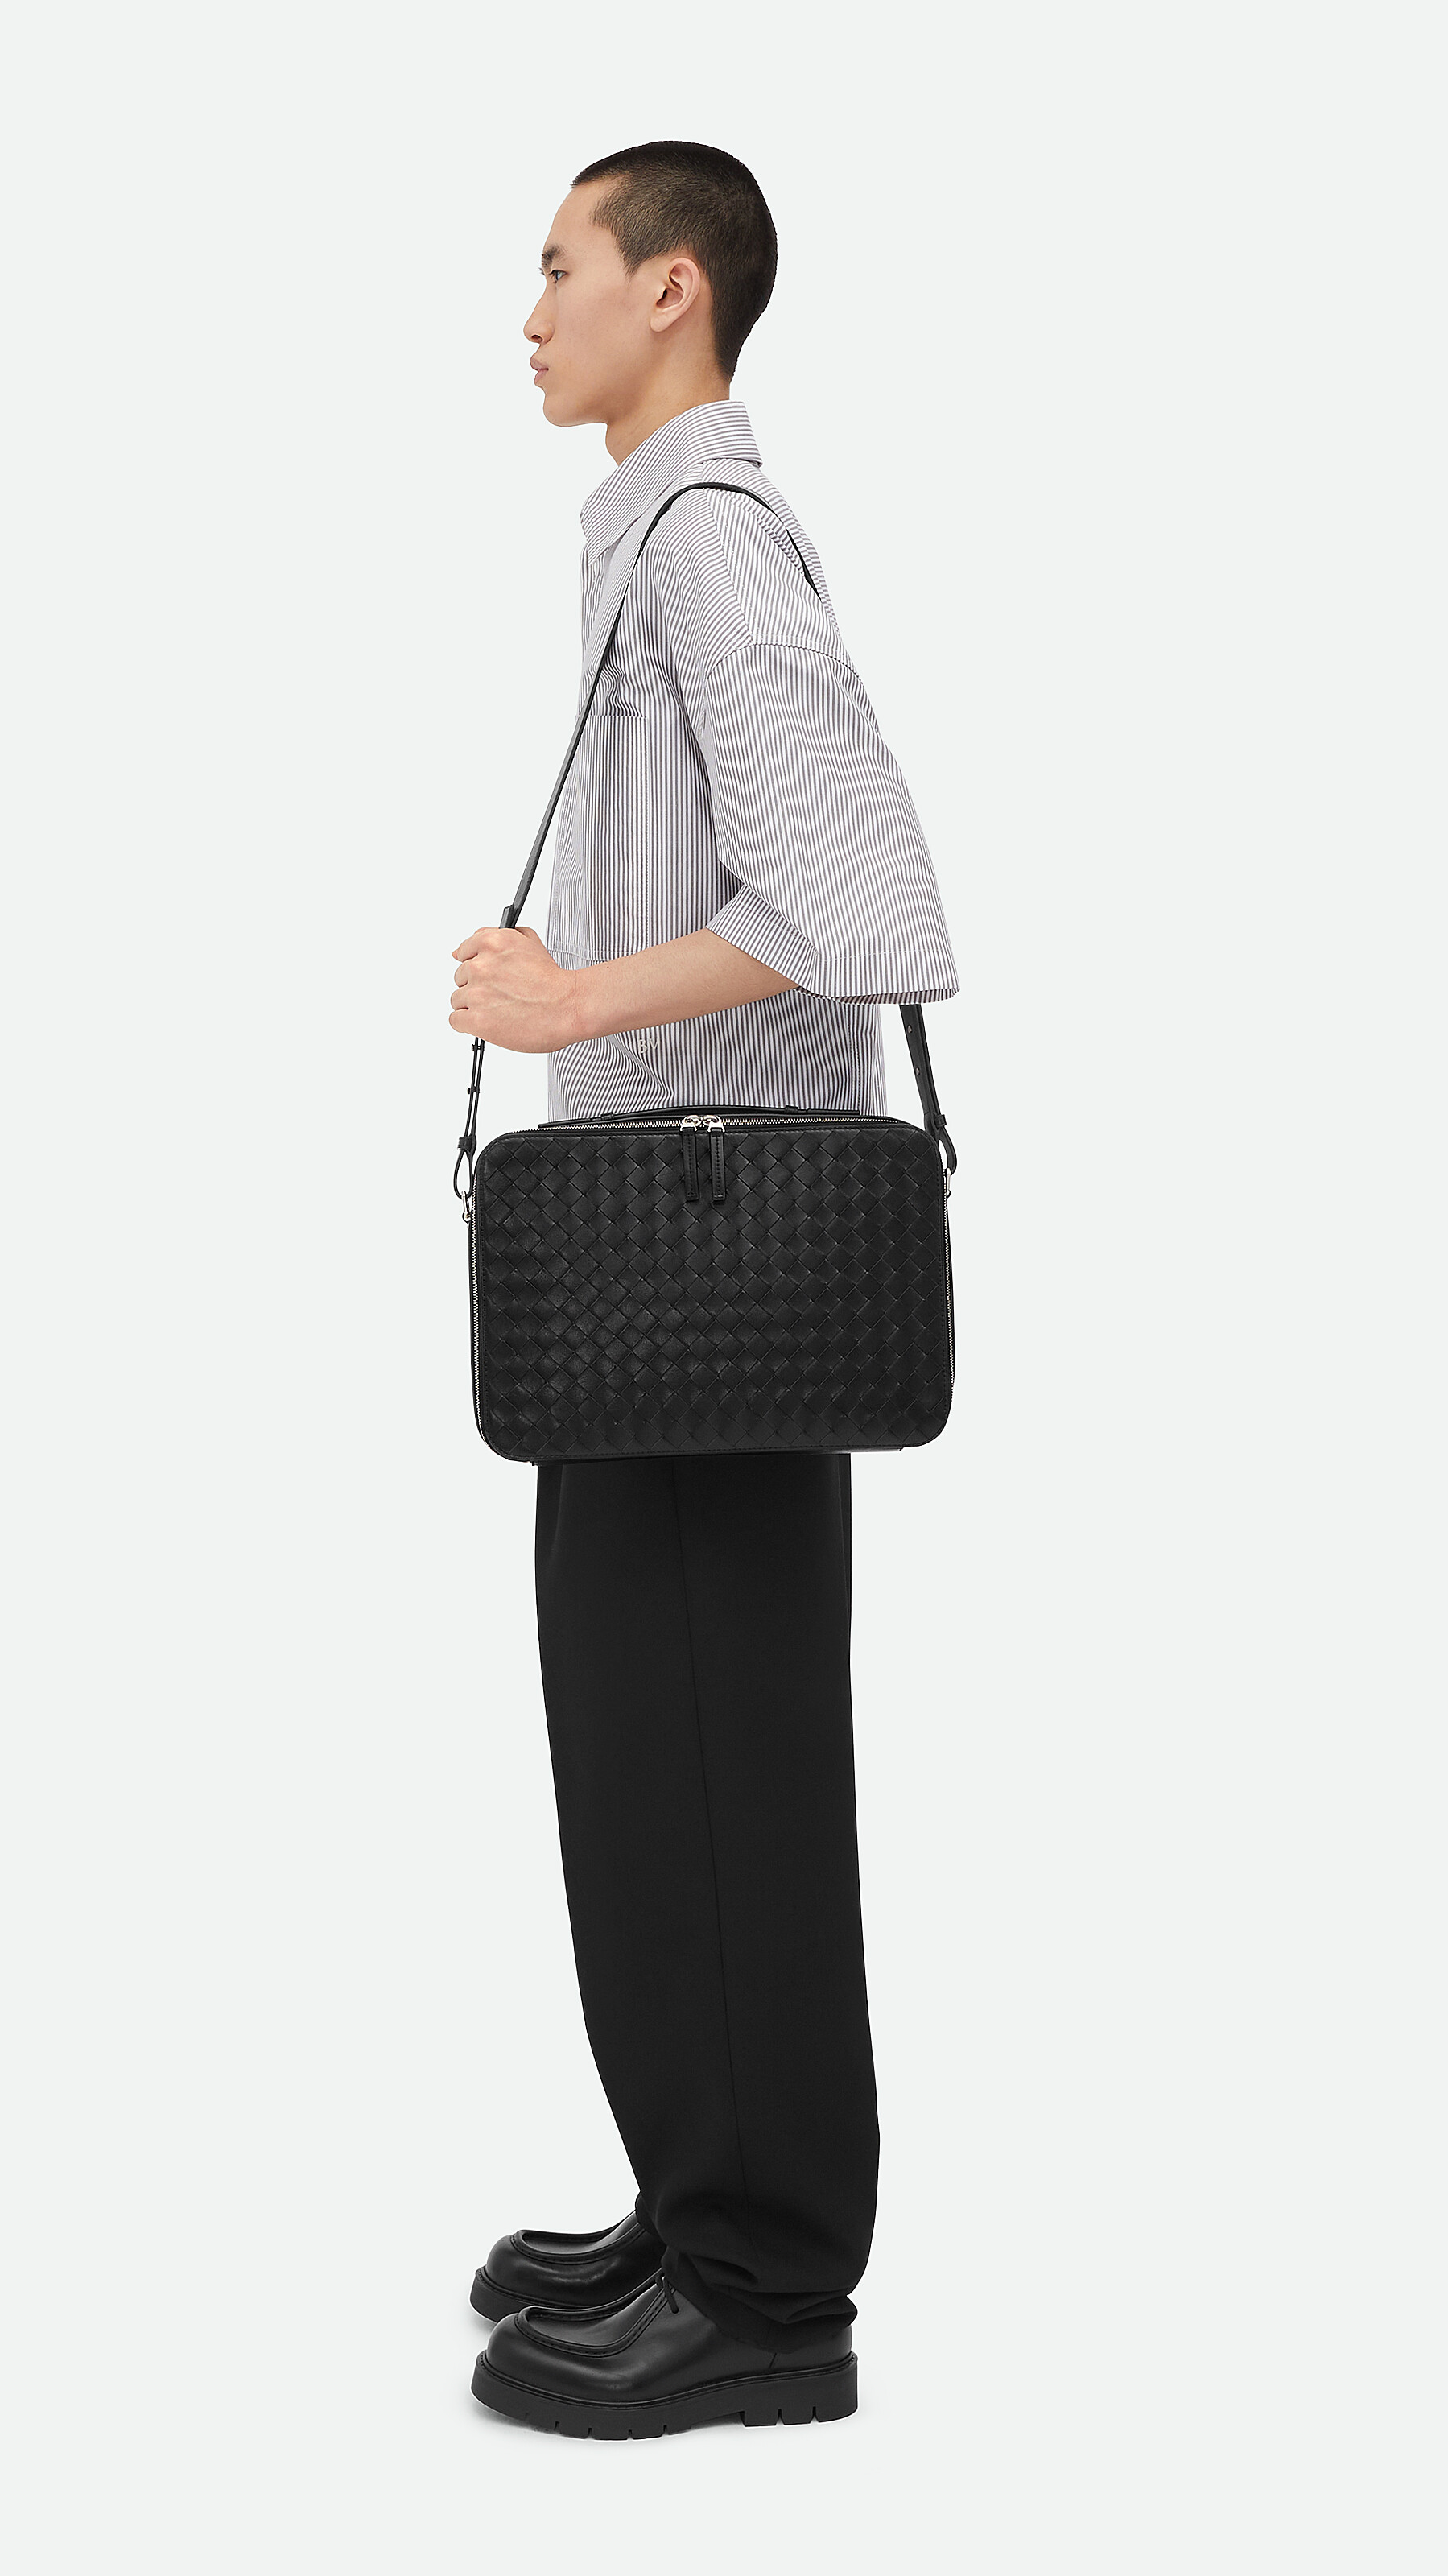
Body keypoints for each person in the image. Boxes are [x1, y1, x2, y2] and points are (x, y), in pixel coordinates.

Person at [447, 140, 959, 2439]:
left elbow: (863, 901)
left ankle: (766, 2289)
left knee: (714, 1758)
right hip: (666, 1258)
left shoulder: (711, 550)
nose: (527, 308)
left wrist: (575, 1003)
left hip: (717, 1250)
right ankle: (701, 2196)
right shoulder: (646, 539)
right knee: (654, 1751)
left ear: (673, 292)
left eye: (560, 265)